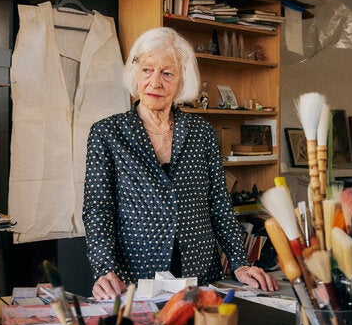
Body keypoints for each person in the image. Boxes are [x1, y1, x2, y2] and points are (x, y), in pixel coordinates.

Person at [83, 27, 278, 300]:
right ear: (135, 72)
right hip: (135, 274)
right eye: (147, 70)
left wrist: (240, 261)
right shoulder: (108, 133)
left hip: (200, 272)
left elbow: (219, 204)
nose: (155, 82)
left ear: (183, 78)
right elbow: (98, 209)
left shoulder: (201, 132)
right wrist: (104, 269)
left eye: (167, 73)